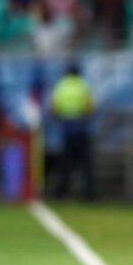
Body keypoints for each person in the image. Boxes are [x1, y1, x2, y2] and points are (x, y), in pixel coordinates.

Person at [52, 63, 95, 200]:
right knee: (85, 163)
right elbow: (90, 107)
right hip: (81, 127)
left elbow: (55, 108)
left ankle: (61, 191)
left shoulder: (62, 85)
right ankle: (88, 193)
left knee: (66, 163)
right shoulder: (83, 85)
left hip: (67, 128)